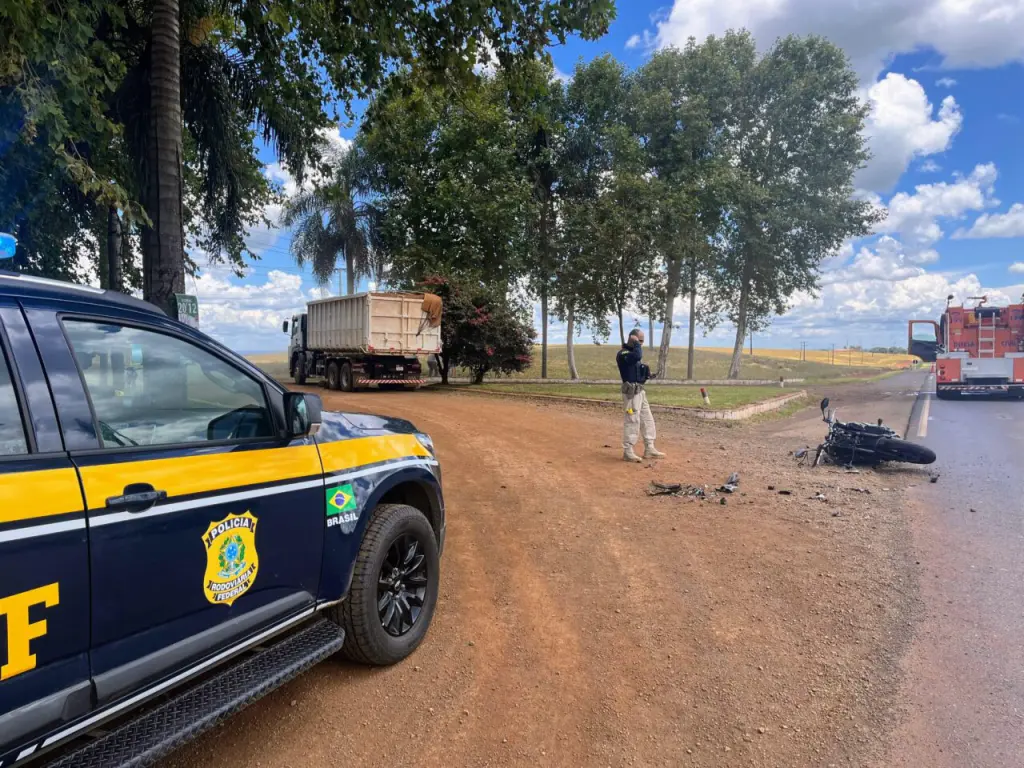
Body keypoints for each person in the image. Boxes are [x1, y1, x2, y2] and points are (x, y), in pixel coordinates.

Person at [616, 329, 665, 463]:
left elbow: (636, 368)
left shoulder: (633, 354)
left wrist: (646, 375)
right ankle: (628, 451)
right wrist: (636, 343)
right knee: (632, 420)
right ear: (633, 339)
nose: (641, 344)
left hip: (640, 392)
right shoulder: (623, 353)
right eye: (640, 340)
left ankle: (649, 448)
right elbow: (636, 356)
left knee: (647, 419)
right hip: (631, 394)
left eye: (642, 341)